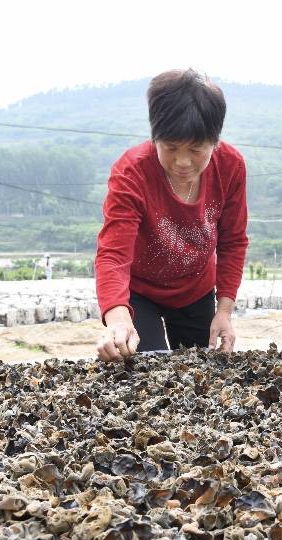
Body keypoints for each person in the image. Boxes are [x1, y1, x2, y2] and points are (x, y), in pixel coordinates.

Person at [95, 69, 248, 362]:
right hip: (141, 293)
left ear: (214, 142)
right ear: (155, 138)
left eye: (195, 149)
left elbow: (233, 243)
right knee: (139, 365)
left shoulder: (231, 167)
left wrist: (224, 311)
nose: (182, 162)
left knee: (201, 372)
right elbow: (113, 254)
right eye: (170, 147)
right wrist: (117, 317)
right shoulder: (132, 172)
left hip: (197, 290)